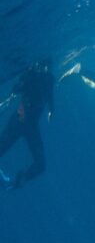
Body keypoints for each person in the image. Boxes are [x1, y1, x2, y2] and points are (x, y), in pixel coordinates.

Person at [0, 59, 54, 189]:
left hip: (29, 125)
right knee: (41, 164)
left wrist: (51, 110)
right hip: (19, 122)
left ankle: (18, 181)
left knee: (41, 164)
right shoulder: (32, 75)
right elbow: (17, 89)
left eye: (46, 67)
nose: (44, 69)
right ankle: (13, 181)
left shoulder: (48, 79)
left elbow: (50, 98)